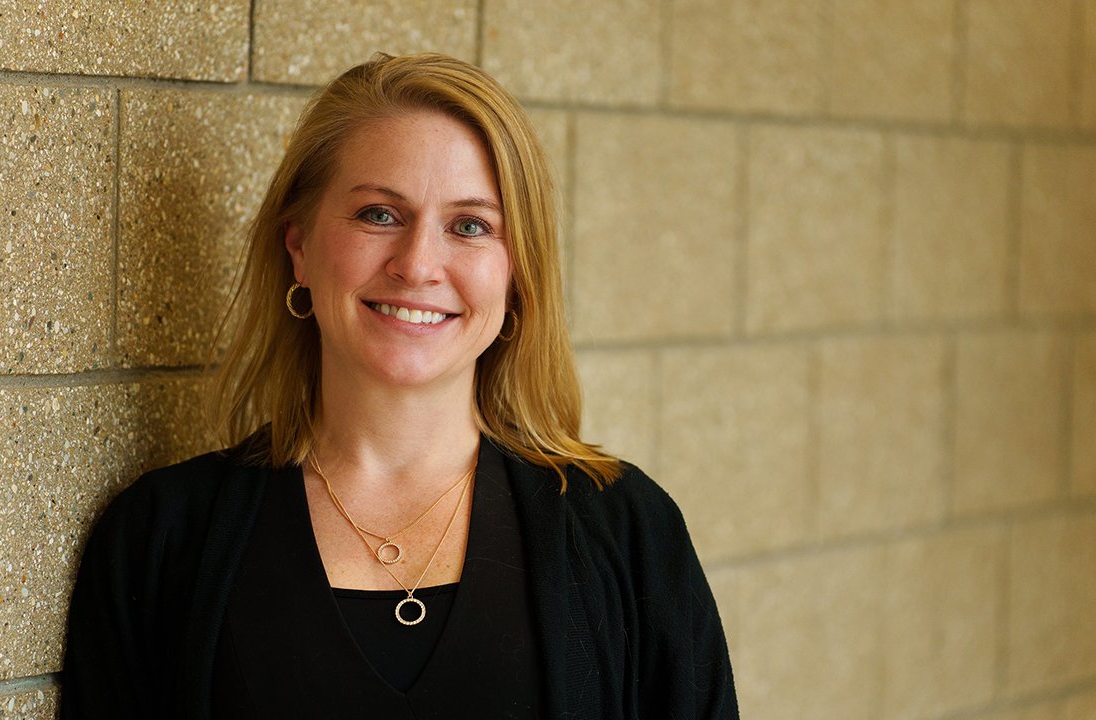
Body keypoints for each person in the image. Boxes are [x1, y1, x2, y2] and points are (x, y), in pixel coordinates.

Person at [60, 52, 737, 719]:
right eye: (379, 215)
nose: (417, 264)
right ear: (298, 245)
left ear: (516, 273)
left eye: (470, 226)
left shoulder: (627, 532)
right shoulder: (161, 540)